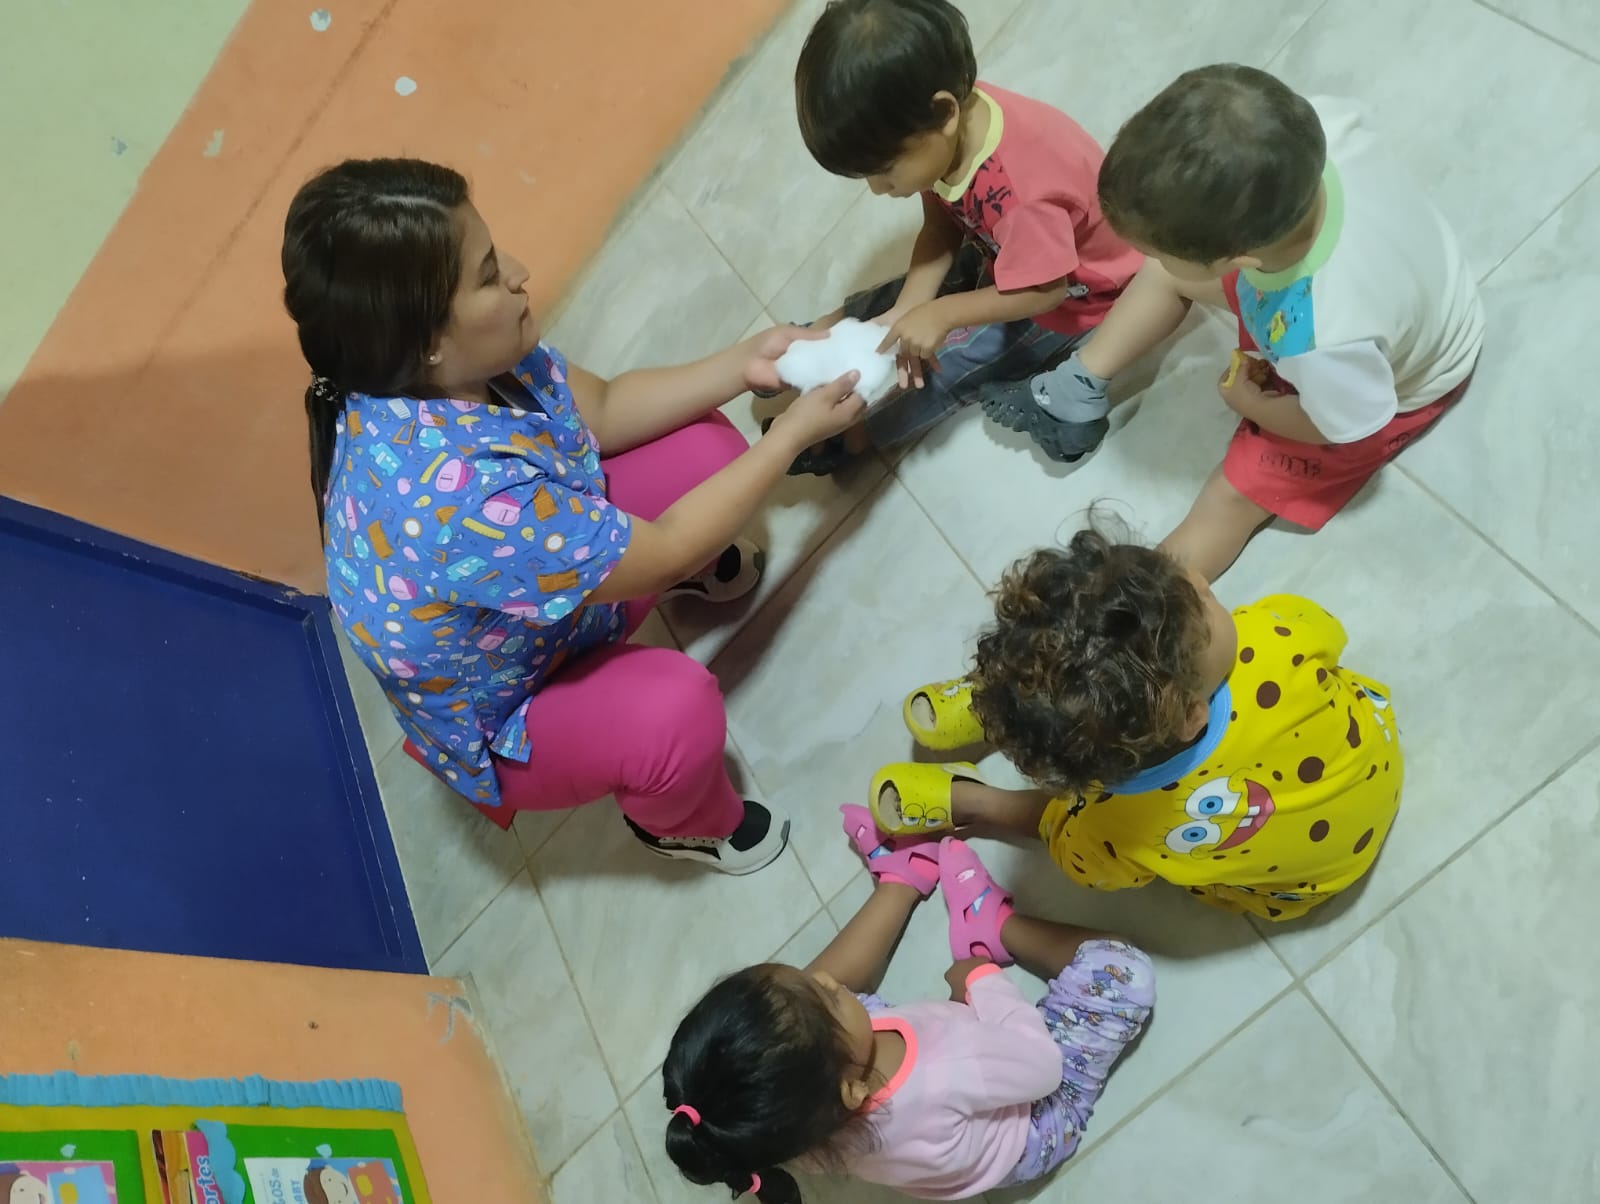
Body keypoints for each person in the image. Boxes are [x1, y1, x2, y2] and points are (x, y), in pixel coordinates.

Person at [282, 158, 865, 875]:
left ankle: (623, 589)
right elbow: (669, 544)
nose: (520, 273)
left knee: (708, 448)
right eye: (489, 275)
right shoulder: (458, 501)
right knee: (675, 714)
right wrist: (790, 437)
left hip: (525, 607)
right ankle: (686, 825)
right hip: (511, 702)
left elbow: (607, 407)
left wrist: (746, 361)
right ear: (427, 341)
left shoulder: (452, 366)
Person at [982, 65, 1485, 580]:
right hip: (1416, 282)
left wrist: (1253, 405)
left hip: (1400, 383)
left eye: (1154, 248)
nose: (1145, 255)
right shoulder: (1322, 127)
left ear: (1239, 260)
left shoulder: (1319, 335)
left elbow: (1346, 423)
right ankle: (1077, 386)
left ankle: (1145, 608)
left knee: (1230, 497)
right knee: (1166, 274)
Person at [873, 528, 1403, 920]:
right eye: (1203, 598)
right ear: (1190, 714)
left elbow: (1078, 861)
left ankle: (991, 774)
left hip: (1298, 883)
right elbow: (1324, 628)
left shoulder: (1117, 825)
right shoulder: (1272, 642)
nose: (1200, 579)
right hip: (1369, 769)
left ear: (1191, 717)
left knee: (1069, 826)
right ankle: (1027, 698)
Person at [661, 812, 1153, 1201]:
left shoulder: (782, 1130)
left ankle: (901, 881)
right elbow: (1041, 1066)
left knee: (796, 1019)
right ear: (852, 1088)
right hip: (1034, 1122)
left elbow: (809, 1018)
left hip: (910, 1090)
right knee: (1123, 975)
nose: (828, 980)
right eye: (830, 996)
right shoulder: (949, 1071)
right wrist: (980, 979)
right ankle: (996, 927)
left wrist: (822, 1006)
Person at [766, 0, 1139, 474]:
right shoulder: (940, 125)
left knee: (954, 357)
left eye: (884, 171)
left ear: (943, 113)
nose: (878, 190)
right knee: (902, 307)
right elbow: (942, 224)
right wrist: (908, 308)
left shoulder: (1023, 194)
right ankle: (815, 341)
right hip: (1014, 252)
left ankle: (848, 435)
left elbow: (1046, 292)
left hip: (1074, 295)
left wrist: (942, 314)